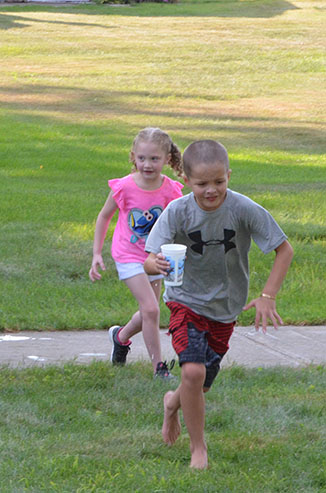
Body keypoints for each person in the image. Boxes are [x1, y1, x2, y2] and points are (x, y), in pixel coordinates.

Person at [144, 139, 294, 468]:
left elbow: (284, 249)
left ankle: (172, 404)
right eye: (202, 184)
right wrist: (155, 265)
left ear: (229, 174)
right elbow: (149, 261)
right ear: (185, 179)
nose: (211, 190)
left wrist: (267, 295)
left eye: (219, 182)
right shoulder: (178, 211)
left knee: (199, 385)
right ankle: (199, 449)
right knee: (193, 372)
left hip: (226, 308)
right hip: (184, 301)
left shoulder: (243, 208)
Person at [89, 127, 184, 379]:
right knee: (152, 310)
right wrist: (97, 253)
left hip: (155, 258)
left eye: (154, 158)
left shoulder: (170, 190)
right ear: (133, 156)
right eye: (141, 158)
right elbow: (104, 216)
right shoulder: (125, 187)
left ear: (166, 159)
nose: (147, 164)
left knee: (147, 312)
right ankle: (159, 369)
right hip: (128, 255)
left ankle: (120, 337)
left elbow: (175, 224)